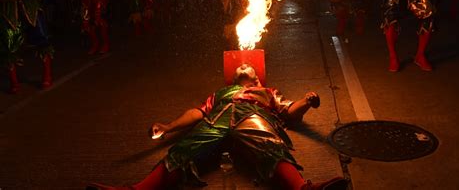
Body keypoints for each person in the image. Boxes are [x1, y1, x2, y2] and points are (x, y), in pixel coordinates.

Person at [87, 64, 347, 190]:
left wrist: (307, 101)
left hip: (252, 116)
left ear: (256, 77)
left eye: (251, 70)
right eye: (241, 68)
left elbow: (289, 113)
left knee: (270, 145)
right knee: (183, 150)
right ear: (234, 78)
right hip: (218, 118)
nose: (246, 67)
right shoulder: (222, 92)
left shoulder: (266, 92)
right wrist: (168, 127)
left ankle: (304, 188)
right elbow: (198, 112)